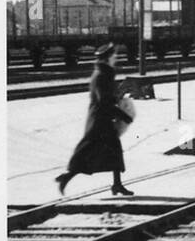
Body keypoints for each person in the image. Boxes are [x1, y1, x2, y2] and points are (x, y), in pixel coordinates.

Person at [55, 43, 135, 196]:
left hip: (103, 118)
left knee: (113, 150)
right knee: (89, 151)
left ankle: (117, 185)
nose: (116, 58)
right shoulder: (101, 76)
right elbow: (104, 101)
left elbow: (107, 98)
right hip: (99, 120)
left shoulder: (104, 73)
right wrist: (123, 115)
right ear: (107, 58)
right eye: (114, 56)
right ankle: (66, 177)